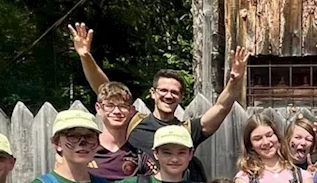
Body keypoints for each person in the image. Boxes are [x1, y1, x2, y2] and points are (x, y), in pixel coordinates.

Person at [70, 21, 247, 163]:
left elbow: (221, 107)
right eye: (163, 90)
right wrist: (86, 56)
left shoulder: (187, 129)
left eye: (174, 92)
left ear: (181, 97)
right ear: (153, 93)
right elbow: (105, 90)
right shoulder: (133, 121)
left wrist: (235, 80)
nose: (168, 95)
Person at [89, 81, 142, 181]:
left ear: (132, 111)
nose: (117, 111)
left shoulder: (139, 155)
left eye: (123, 106)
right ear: (98, 108)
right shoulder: (86, 149)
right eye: (110, 105)